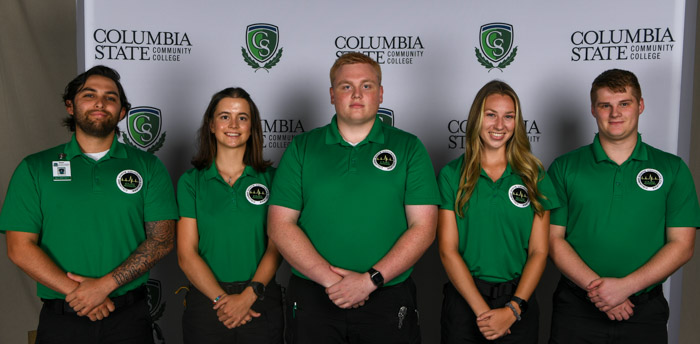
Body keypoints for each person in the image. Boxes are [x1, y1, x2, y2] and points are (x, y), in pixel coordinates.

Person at [267, 52, 440, 343]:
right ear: (332, 94)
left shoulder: (409, 148)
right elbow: (280, 225)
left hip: (387, 297)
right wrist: (336, 283)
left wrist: (369, 281)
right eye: (346, 86)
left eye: (367, 85)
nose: (357, 94)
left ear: (381, 93)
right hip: (315, 296)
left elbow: (424, 228)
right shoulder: (302, 147)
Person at [0, 65, 178, 343]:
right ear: (70, 106)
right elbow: (19, 247)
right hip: (63, 319)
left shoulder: (148, 166)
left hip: (129, 318)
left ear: (121, 112)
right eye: (89, 94)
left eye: (111, 97)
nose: (100, 102)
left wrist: (104, 286)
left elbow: (162, 239)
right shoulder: (34, 168)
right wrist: (80, 293)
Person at [547, 69, 700, 344]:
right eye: (605, 105)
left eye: (624, 104)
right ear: (593, 109)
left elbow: (683, 245)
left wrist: (625, 288)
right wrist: (601, 292)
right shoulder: (564, 167)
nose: (615, 113)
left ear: (640, 105)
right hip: (576, 308)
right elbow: (553, 239)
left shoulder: (672, 169)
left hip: (643, 310)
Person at [437, 81, 559, 343]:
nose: (499, 125)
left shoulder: (533, 175)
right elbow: (448, 250)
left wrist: (512, 310)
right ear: (476, 119)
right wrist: (484, 313)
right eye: (491, 114)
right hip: (465, 302)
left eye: (509, 116)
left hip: (518, 301)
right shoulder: (451, 175)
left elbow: (539, 251)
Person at [177, 87, 283, 343]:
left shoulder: (274, 179)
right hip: (207, 301)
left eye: (242, 117)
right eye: (225, 116)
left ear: (252, 127)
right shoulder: (191, 182)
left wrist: (248, 297)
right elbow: (186, 254)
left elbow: (277, 246)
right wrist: (223, 301)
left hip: (260, 297)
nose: (233, 124)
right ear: (211, 125)